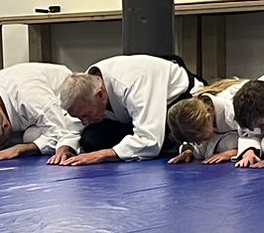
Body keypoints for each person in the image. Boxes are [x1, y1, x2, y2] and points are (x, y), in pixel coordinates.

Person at [49, 55, 196, 166]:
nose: (84, 121)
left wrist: (102, 155)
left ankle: (178, 144)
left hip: (177, 103)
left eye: (87, 115)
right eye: (80, 117)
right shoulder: (84, 89)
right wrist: (65, 148)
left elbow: (149, 139)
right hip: (130, 118)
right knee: (91, 139)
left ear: (100, 95)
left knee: (175, 131)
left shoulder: (133, 82)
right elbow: (71, 127)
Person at [0, 62, 81, 159]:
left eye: (0, 144)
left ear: (5, 125)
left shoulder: (32, 98)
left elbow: (59, 132)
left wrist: (20, 149)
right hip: (31, 109)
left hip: (67, 96)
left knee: (30, 136)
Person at [163, 80, 250, 164]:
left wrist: (232, 153)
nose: (198, 143)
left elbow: (254, 135)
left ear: (207, 118)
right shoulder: (201, 116)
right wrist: (189, 150)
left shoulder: (235, 110)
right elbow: (201, 146)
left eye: (199, 138)